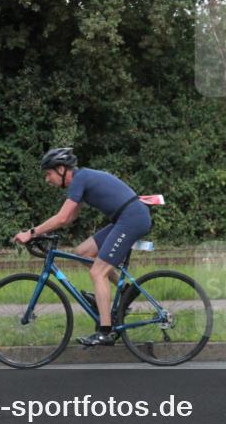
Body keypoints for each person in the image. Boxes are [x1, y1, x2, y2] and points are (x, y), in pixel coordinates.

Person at [12, 148, 151, 346]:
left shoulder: (80, 178)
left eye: (48, 173)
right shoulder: (80, 180)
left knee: (98, 273)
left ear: (61, 169)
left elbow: (61, 217)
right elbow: (68, 218)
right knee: (82, 252)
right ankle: (127, 291)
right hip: (127, 217)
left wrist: (31, 233)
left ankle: (106, 331)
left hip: (131, 219)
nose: (47, 179)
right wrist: (44, 232)